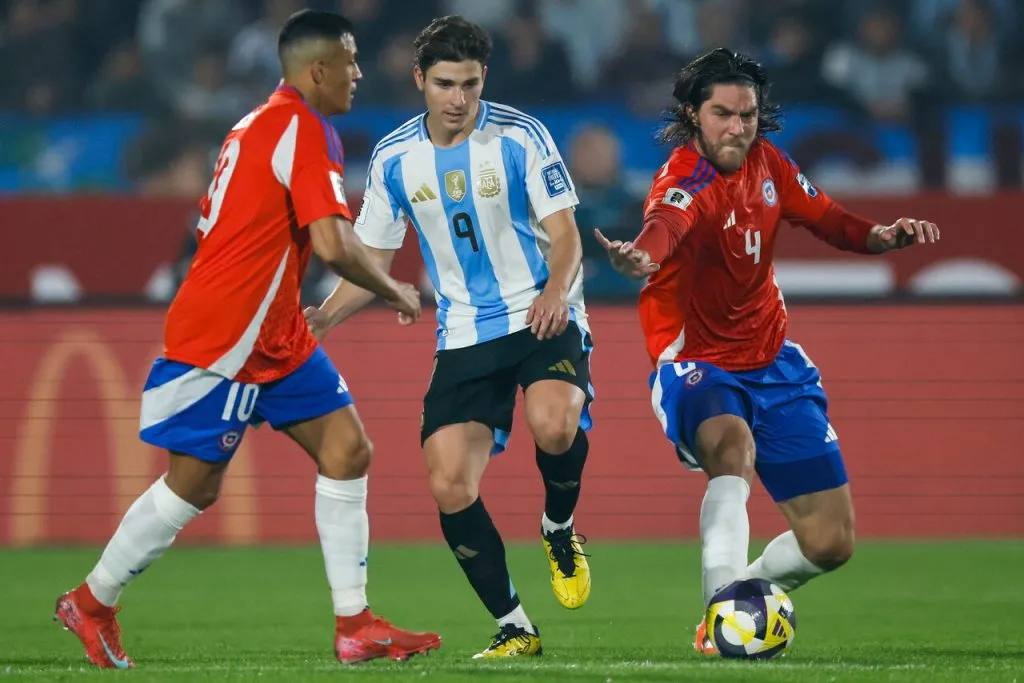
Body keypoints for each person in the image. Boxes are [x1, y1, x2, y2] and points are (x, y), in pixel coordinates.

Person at [54, 10, 441, 668]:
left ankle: (355, 623)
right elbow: (330, 241)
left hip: (276, 330)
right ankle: (91, 602)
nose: (358, 72)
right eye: (349, 61)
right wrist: (393, 285)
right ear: (317, 70)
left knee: (348, 449)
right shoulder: (304, 128)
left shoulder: (258, 120)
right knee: (192, 486)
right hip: (228, 333)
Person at [594, 48, 940, 655]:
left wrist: (881, 237)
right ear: (693, 117)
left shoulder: (769, 164)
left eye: (747, 114)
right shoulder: (684, 180)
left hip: (775, 363)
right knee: (732, 449)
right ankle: (719, 616)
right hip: (695, 361)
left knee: (830, 543)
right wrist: (640, 257)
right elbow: (663, 228)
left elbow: (828, 217)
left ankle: (738, 599)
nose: (736, 126)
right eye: (722, 114)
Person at [305, 15, 594, 659]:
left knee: (555, 427)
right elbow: (372, 261)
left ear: (483, 78)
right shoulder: (394, 158)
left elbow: (568, 235)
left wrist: (555, 292)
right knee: (449, 485)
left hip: (539, 314)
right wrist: (324, 317)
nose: (458, 99)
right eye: (444, 84)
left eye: (469, 83)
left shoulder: (520, 135)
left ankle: (559, 526)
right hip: (464, 333)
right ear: (419, 81)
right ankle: (515, 626)